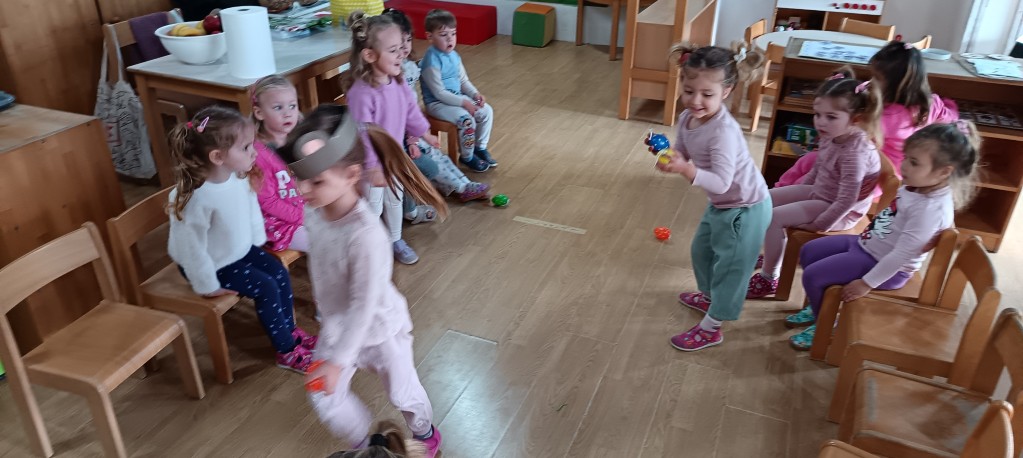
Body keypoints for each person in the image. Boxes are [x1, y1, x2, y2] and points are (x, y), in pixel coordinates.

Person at [277, 105, 446, 457]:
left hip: (380, 330)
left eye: (316, 181)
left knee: (402, 393)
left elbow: (363, 308)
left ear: (352, 175)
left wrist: (338, 362)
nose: (303, 189)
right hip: (338, 327)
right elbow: (313, 239)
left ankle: (426, 434)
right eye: (299, 177)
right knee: (324, 394)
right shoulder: (314, 211)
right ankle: (368, 449)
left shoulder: (367, 236)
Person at [787, 121, 980, 349]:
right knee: (809, 251)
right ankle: (821, 306)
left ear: (944, 172)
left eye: (914, 162)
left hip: (886, 267)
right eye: (906, 157)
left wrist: (866, 283)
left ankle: (827, 325)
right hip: (868, 246)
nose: (904, 166)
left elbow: (902, 255)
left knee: (813, 276)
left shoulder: (930, 209)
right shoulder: (917, 186)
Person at [166, 106, 315, 373]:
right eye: (246, 148)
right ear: (217, 156)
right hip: (208, 264)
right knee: (266, 286)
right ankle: (286, 350)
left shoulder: (236, 177)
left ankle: (290, 331)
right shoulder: (197, 199)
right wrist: (207, 285)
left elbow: (250, 208)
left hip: (234, 250)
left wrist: (256, 240)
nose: (254, 153)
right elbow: (192, 249)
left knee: (278, 271)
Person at [656, 42, 770, 352]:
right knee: (702, 252)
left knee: (731, 269)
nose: (696, 101)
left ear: (726, 91)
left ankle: (713, 327)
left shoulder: (723, 132)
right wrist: (671, 157)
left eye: (707, 94)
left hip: (745, 208)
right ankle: (709, 298)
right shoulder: (687, 118)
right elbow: (683, 148)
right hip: (722, 205)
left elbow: (721, 182)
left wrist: (685, 169)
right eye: (689, 90)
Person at [747, 69, 882, 300]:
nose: (820, 122)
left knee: (774, 218)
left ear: (856, 119)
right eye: (817, 114)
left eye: (831, 117)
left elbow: (847, 200)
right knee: (762, 199)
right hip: (822, 195)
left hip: (840, 211)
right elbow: (818, 169)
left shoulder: (855, 152)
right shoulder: (833, 136)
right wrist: (801, 192)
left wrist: (819, 224)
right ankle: (773, 252)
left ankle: (769, 278)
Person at [345, 12, 441, 264]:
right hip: (372, 165)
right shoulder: (361, 93)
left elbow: (411, 110)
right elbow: (363, 134)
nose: (401, 54)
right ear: (370, 55)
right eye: (393, 50)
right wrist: (373, 167)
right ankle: (368, 247)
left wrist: (424, 133)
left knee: (395, 200)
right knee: (373, 207)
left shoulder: (397, 82)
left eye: (401, 48)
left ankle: (395, 240)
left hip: (394, 159)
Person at [420, 9, 497, 173]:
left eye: (453, 33)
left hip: (456, 99)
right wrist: (464, 103)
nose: (450, 39)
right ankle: (467, 157)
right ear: (430, 37)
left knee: (487, 111)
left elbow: (463, 81)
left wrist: (475, 94)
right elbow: (439, 93)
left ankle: (479, 148)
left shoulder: (454, 56)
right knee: (466, 120)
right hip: (437, 104)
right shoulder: (430, 61)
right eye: (443, 35)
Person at [251, 74, 308, 252]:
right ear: (259, 113)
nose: (288, 113)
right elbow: (268, 202)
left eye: (292, 105)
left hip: (306, 208)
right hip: (279, 222)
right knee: (328, 243)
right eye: (278, 107)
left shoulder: (299, 139)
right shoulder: (257, 155)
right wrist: (304, 217)